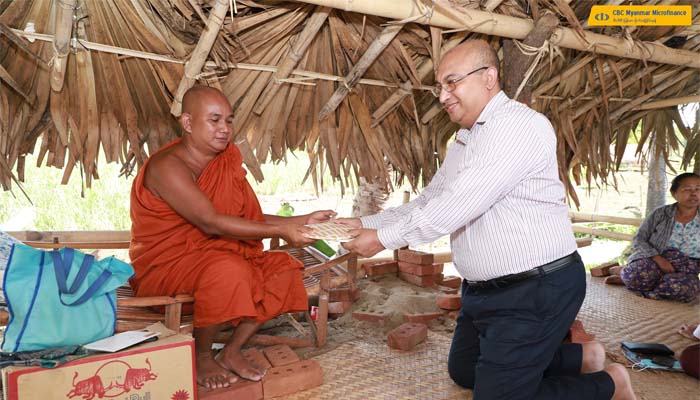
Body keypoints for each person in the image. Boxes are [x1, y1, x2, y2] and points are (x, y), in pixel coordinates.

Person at [337, 40, 635, 400]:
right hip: (483, 291)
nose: (443, 95)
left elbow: (456, 206)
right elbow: (432, 199)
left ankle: (611, 384)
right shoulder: (466, 138)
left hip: (535, 289)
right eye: (439, 87)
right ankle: (583, 357)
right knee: (465, 371)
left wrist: (384, 239)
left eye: (451, 82)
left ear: (489, 77)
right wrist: (367, 223)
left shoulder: (516, 127)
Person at [129, 86, 335, 389]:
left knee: (282, 269)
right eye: (214, 120)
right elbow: (210, 222)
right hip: (166, 267)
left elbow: (241, 217)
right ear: (187, 123)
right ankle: (202, 356)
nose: (224, 129)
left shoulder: (223, 161)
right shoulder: (167, 167)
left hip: (215, 255)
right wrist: (281, 231)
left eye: (229, 120)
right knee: (230, 270)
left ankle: (231, 351)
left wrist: (298, 220)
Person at [605, 173, 699, 302]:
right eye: (687, 189)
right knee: (637, 274)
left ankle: (632, 282)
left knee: (682, 288)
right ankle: (630, 276)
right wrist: (658, 259)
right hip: (655, 259)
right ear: (674, 193)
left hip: (687, 266)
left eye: (698, 189)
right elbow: (639, 239)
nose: (694, 194)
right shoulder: (660, 214)